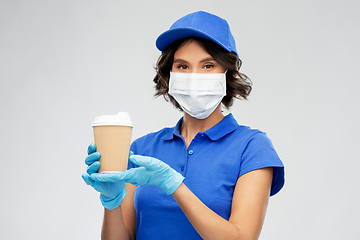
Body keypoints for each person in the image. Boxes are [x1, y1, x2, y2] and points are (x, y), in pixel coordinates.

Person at [82, 11, 285, 240]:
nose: (194, 76)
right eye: (183, 66)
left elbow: (241, 237)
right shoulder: (142, 149)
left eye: (208, 65)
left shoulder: (252, 148)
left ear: (227, 73)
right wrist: (112, 203)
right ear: (169, 75)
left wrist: (173, 185)